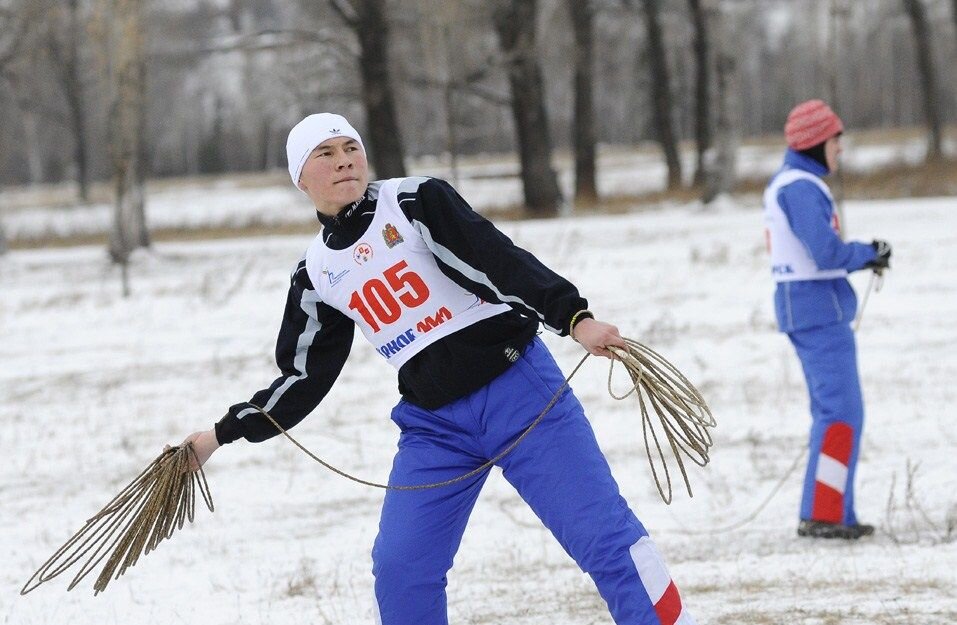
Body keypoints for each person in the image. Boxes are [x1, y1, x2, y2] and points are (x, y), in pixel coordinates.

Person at [178, 113, 697, 624]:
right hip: (435, 429)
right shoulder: (315, 274)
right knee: (400, 569)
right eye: (326, 154)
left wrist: (573, 317)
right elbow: (302, 378)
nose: (345, 162)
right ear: (300, 177)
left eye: (351, 148)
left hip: (520, 393)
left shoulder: (414, 201)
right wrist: (220, 435)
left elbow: (499, 261)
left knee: (603, 538)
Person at [763, 100, 891, 540]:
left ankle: (828, 510)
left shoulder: (796, 182)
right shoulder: (800, 187)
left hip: (810, 309)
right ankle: (825, 515)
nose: (841, 150)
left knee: (835, 412)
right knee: (842, 413)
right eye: (837, 141)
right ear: (818, 142)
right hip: (816, 312)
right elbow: (826, 253)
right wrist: (868, 253)